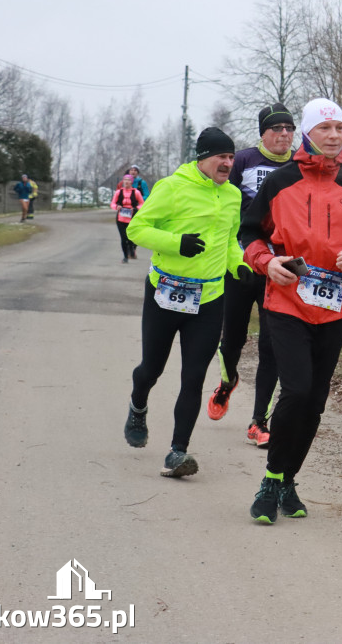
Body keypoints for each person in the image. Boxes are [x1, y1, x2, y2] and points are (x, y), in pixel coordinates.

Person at [240, 98, 342, 523]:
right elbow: (250, 232)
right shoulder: (280, 182)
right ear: (307, 133)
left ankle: (289, 480)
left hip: (336, 305)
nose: (333, 136)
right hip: (286, 299)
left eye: (339, 129)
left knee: (316, 401)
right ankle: (271, 478)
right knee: (298, 390)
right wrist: (268, 263)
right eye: (325, 129)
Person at [122, 127, 255, 478]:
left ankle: (177, 452)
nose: (228, 163)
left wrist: (239, 265)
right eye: (221, 157)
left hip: (209, 299)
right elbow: (137, 229)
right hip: (165, 293)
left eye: (231, 157)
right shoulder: (171, 187)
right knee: (152, 368)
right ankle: (138, 405)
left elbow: (229, 242)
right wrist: (176, 243)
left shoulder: (232, 196)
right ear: (203, 157)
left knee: (194, 377)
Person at [207, 103, 296, 449]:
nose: (284, 134)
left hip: (280, 268)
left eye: (289, 128)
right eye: (276, 128)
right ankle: (227, 384)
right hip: (242, 264)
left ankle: (259, 421)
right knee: (232, 338)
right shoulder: (242, 161)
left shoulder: (298, 165)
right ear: (263, 133)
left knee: (271, 344)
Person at [110, 174, 144, 263]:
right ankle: (125, 256)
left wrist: (136, 209)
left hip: (132, 218)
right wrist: (116, 207)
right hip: (121, 218)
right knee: (123, 238)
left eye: (128, 180)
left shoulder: (136, 192)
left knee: (131, 237)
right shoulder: (118, 192)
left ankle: (132, 248)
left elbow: (142, 204)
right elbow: (112, 204)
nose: (126, 181)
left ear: (131, 182)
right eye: (125, 179)